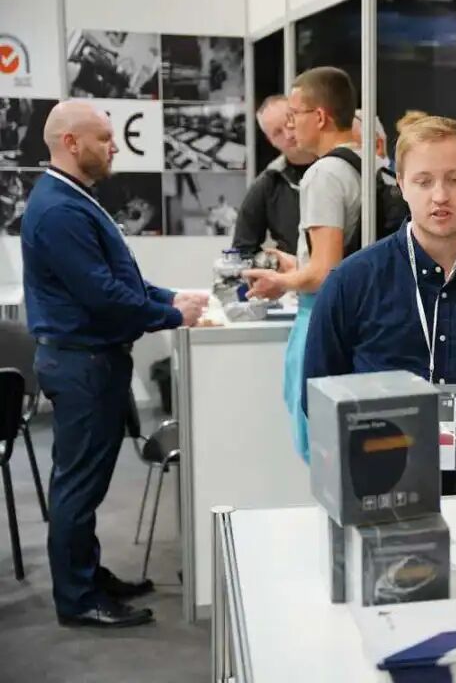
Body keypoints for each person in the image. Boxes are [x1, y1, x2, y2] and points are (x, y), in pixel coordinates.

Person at [21, 100, 207, 628]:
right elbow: (101, 294)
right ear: (70, 143)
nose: (114, 146)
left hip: (91, 361)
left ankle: (87, 575)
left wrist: (171, 297)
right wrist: (169, 314)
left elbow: (120, 279)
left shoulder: (73, 198)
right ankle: (78, 597)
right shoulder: (59, 210)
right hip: (82, 364)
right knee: (78, 486)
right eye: (103, 138)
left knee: (86, 482)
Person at [303, 116, 456, 495]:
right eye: (424, 181)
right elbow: (318, 391)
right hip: (373, 483)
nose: (440, 196)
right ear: (402, 184)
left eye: (455, 179)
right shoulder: (352, 281)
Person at [242, 66, 363, 463]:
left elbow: (325, 273)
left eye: (294, 115)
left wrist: (280, 281)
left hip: (321, 321)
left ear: (321, 116)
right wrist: (297, 264)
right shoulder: (367, 163)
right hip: (356, 320)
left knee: (322, 447)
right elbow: (346, 258)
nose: (290, 127)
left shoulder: (323, 174)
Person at [231, 95, 317, 256]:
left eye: (290, 123)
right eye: (278, 132)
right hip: (293, 270)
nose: (288, 135)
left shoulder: (339, 165)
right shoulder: (267, 183)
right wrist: (273, 263)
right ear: (271, 141)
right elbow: (242, 249)